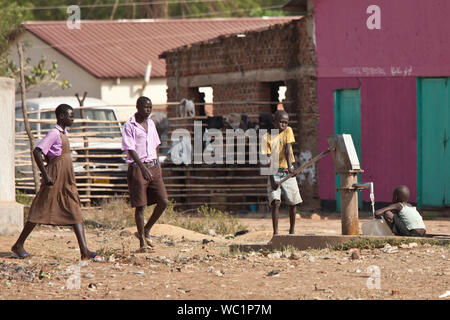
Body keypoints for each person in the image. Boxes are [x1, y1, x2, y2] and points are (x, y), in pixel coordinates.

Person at [11, 104, 98, 260]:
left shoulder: (64, 133)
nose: (73, 118)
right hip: (54, 178)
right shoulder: (54, 133)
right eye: (71, 116)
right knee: (40, 208)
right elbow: (37, 151)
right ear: (62, 116)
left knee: (74, 209)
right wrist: (45, 175)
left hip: (66, 179)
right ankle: (18, 244)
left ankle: (84, 251)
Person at [122, 96, 169, 252]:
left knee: (163, 200)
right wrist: (143, 168)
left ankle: (146, 229)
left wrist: (158, 166)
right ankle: (142, 241)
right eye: (145, 107)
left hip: (153, 166)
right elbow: (130, 149)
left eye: (150, 107)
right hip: (138, 167)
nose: (148, 110)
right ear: (138, 107)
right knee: (140, 206)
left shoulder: (151, 123)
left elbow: (155, 145)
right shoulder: (130, 126)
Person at [264, 110, 303, 235]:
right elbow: (267, 161)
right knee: (275, 202)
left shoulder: (288, 131)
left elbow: (287, 150)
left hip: (287, 171)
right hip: (274, 172)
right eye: (281, 122)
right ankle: (276, 233)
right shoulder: (267, 137)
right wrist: (272, 180)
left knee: (293, 202)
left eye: (286, 123)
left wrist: (291, 167)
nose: (284, 125)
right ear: (274, 122)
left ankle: (292, 232)